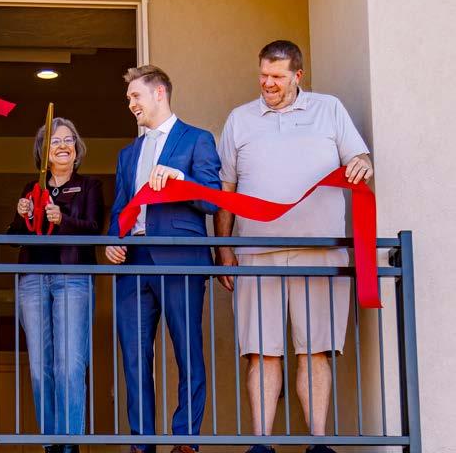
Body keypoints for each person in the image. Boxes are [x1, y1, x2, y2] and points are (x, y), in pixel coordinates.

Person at [214, 40, 373, 453]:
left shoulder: (329, 109)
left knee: (315, 351)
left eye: (277, 76)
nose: (267, 83)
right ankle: (261, 444)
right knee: (260, 352)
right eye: (263, 75)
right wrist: (223, 249)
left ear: (298, 75)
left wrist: (362, 163)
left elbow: (360, 160)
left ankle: (318, 442)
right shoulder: (240, 119)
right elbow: (226, 190)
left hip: (321, 253)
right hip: (255, 254)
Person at [105, 65, 221, 453]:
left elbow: (212, 199)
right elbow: (120, 207)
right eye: (128, 99)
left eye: (135, 96)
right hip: (133, 262)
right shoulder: (127, 154)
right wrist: (113, 240)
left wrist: (179, 181)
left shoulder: (197, 139)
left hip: (180, 257)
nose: (131, 104)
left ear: (159, 93)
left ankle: (185, 439)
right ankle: (142, 443)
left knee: (187, 350)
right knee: (134, 356)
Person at [8, 118, 103, 453]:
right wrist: (21, 214)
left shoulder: (89, 186)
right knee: (39, 367)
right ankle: (50, 444)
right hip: (33, 280)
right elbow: (13, 239)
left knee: (70, 365)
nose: (63, 146)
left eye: (68, 140)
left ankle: (70, 443)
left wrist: (63, 220)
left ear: (77, 149)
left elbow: (95, 228)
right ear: (43, 152)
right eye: (55, 141)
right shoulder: (31, 188)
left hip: (72, 278)